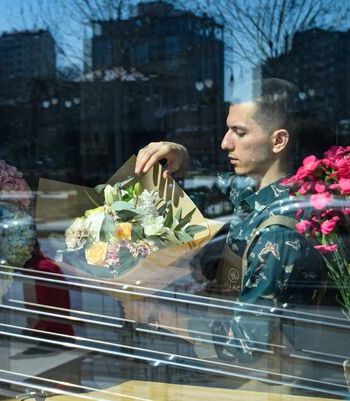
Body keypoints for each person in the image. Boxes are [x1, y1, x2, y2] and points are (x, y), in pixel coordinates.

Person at [134, 78, 325, 364]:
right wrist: (181, 156)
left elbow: (244, 344)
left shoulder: (278, 233)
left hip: (268, 385)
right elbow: (213, 182)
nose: (225, 143)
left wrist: (157, 314)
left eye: (239, 132)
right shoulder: (254, 191)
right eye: (228, 129)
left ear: (278, 141)